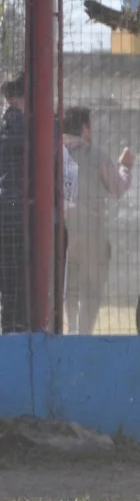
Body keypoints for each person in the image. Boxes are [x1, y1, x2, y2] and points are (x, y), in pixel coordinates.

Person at [62, 107, 134, 334]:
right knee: (91, 289)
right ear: (85, 128)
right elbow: (117, 187)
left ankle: (68, 331)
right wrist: (126, 166)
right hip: (92, 231)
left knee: (67, 288)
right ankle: (84, 334)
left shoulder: (54, 155)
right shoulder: (96, 154)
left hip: (62, 232)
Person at [0, 72, 27, 332]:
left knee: (9, 279)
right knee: (18, 276)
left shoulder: (8, 124)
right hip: (18, 212)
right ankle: (15, 327)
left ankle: (11, 327)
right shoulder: (21, 125)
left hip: (8, 209)